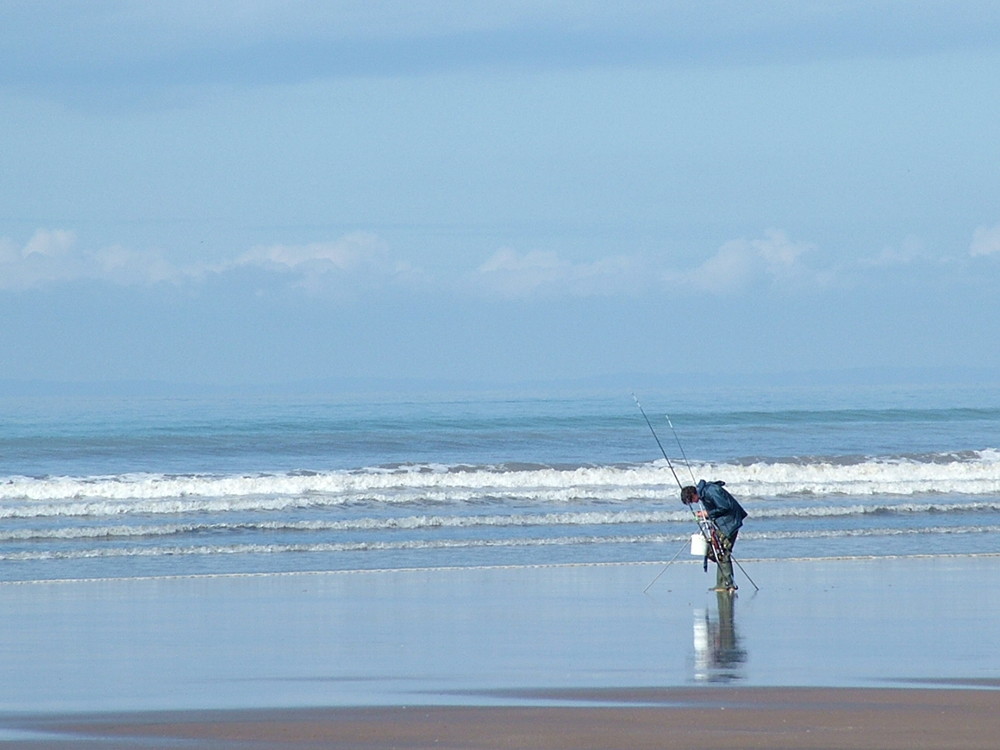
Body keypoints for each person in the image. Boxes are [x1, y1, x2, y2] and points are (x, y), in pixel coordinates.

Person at [681, 480, 747, 592]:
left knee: (723, 552)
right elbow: (716, 508)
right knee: (715, 552)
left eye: (691, 500)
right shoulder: (704, 493)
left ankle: (729, 584)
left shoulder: (711, 491)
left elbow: (725, 506)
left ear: (692, 494)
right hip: (724, 523)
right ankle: (722, 583)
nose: (694, 503)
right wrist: (708, 517)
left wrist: (707, 514)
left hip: (731, 522)